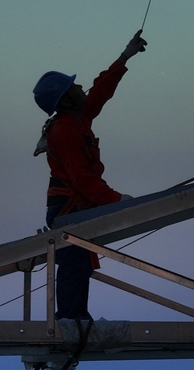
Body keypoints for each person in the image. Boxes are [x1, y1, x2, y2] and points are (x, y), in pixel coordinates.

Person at [32, 30, 147, 320]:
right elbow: (82, 180)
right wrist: (117, 200)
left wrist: (125, 56)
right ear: (64, 99)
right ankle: (70, 321)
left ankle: (75, 320)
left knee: (79, 262)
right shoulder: (65, 130)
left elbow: (100, 90)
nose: (80, 87)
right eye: (73, 87)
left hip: (74, 206)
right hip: (69, 208)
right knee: (75, 262)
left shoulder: (77, 118)